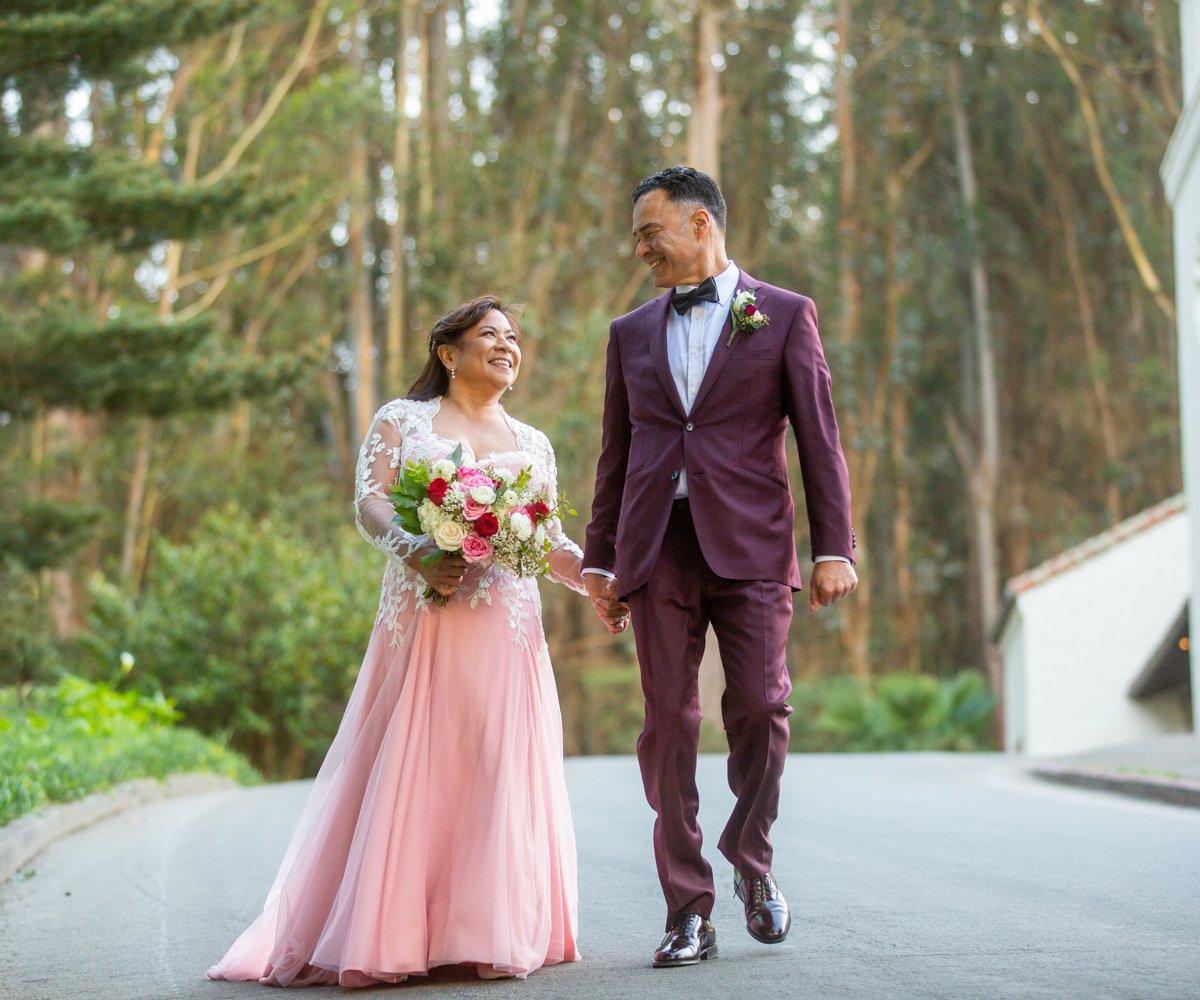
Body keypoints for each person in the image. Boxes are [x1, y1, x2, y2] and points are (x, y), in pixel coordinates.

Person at [208, 296, 585, 987]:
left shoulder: (533, 443)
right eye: (490, 335)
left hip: (507, 626)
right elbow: (371, 502)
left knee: (496, 763)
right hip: (427, 618)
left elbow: (548, 543)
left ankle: (484, 929)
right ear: (449, 353)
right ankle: (396, 930)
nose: (508, 347)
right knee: (419, 761)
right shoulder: (403, 421)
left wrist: (601, 583)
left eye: (514, 338)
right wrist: (415, 547)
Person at [583, 166, 858, 968]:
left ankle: (752, 861)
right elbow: (615, 456)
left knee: (763, 710)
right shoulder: (629, 333)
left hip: (752, 546)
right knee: (669, 722)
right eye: (636, 237)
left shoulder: (784, 316)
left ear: (701, 224)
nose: (639, 250)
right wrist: (600, 562)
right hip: (655, 548)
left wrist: (834, 548)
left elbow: (820, 441)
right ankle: (688, 907)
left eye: (650, 233)